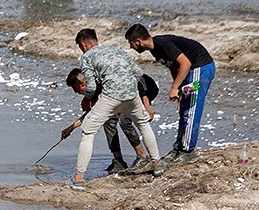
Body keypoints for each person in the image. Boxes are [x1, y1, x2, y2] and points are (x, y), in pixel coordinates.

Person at [62, 28, 163, 191]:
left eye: (81, 47)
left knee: (88, 132)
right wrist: (127, 86)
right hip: (132, 94)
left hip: (111, 96)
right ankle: (158, 164)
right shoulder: (117, 50)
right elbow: (138, 72)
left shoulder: (87, 57)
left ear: (83, 44)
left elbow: (92, 85)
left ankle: (79, 179)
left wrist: (88, 98)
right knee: (143, 124)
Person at [124, 23, 216, 166]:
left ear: (138, 41)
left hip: (201, 68)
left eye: (131, 44)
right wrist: (179, 91)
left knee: (192, 108)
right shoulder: (155, 50)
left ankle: (187, 152)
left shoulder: (163, 43)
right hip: (191, 72)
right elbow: (174, 67)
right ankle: (179, 147)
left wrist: (174, 88)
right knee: (185, 106)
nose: (131, 48)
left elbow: (185, 63)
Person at [62, 69, 159, 174]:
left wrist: (147, 107)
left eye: (76, 89)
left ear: (82, 83)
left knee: (124, 120)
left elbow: (139, 81)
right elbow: (93, 113)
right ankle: (119, 161)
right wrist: (70, 128)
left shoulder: (102, 79)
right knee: (108, 120)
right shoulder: (94, 91)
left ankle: (142, 157)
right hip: (123, 95)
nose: (77, 93)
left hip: (145, 88)